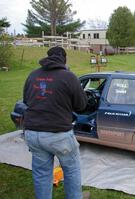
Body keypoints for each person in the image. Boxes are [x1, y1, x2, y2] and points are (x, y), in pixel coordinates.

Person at [23, 46, 89, 199]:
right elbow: (81, 105)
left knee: (41, 174)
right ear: (64, 59)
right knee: (71, 170)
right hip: (58, 136)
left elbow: (27, 100)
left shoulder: (33, 75)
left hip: (32, 133)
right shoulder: (69, 77)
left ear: (48, 57)